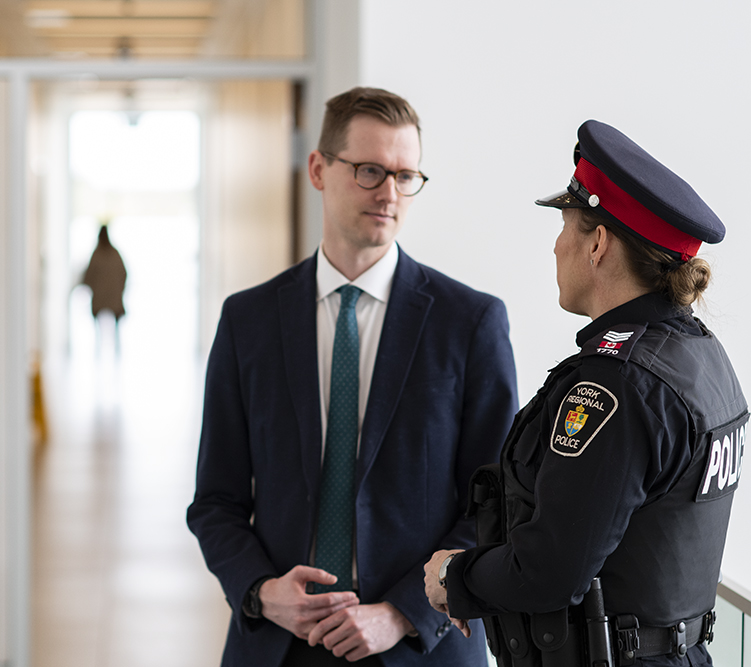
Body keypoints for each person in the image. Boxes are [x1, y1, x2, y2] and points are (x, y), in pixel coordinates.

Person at [187, 87, 518, 667]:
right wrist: (263, 594)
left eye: (406, 175)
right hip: (279, 643)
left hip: (419, 644)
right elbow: (216, 500)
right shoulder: (250, 321)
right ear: (318, 169)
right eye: (369, 171)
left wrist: (402, 612)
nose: (389, 193)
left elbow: (498, 507)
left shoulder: (470, 323)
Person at [424, 120, 749, 667]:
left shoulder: (617, 382)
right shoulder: (700, 355)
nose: (555, 247)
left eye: (566, 227)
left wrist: (454, 577)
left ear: (598, 243)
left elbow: (550, 570)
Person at [81, 223, 127, 350]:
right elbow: (124, 274)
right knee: (115, 324)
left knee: (98, 323)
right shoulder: (115, 254)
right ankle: (116, 347)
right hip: (113, 298)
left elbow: (88, 276)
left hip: (100, 298)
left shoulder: (97, 255)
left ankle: (99, 346)